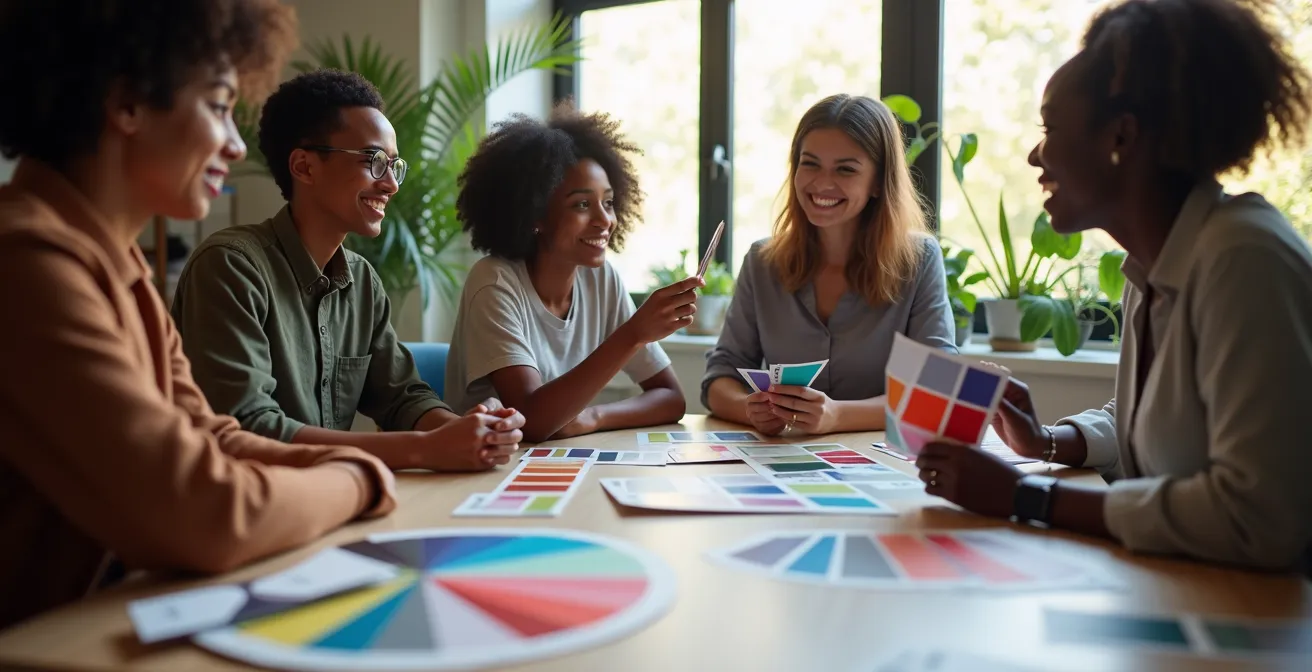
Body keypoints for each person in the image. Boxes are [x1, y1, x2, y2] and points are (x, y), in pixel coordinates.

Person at [0, 0, 398, 630]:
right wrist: (361, 481)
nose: (236, 145)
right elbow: (206, 512)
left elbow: (213, 437)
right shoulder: (24, 258)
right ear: (127, 102)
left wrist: (360, 466)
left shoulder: (118, 266)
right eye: (218, 107)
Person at [914, 0, 1312, 573]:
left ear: (1120, 137)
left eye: (1049, 128)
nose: (1035, 154)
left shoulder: (1243, 259)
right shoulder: (1151, 268)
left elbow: (1258, 515)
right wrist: (1047, 442)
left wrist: (1026, 496)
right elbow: (1161, 424)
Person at [170, 70, 524, 473]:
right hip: (248, 508)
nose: (390, 184)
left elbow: (402, 397)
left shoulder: (363, 281)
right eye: (374, 161)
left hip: (331, 499)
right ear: (304, 167)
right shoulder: (230, 267)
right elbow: (248, 428)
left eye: (394, 165)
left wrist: (469, 432)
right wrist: (424, 449)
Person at [703, 94, 956, 437]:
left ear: (879, 182)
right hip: (783, 463)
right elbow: (721, 377)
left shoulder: (920, 260)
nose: (822, 183)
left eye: (846, 169)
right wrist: (749, 409)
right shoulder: (762, 262)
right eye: (810, 163)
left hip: (885, 466)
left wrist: (837, 416)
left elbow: (935, 393)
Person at [446, 102, 697, 442]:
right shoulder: (495, 282)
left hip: (558, 464)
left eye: (608, 202)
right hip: (486, 471)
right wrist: (634, 333)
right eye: (581, 204)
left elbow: (671, 399)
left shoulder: (601, 278)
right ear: (535, 216)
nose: (605, 220)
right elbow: (532, 421)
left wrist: (593, 417)